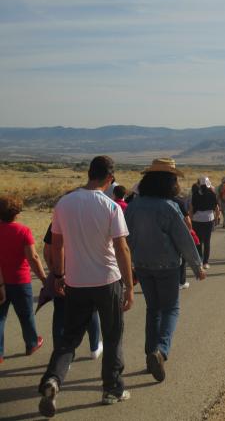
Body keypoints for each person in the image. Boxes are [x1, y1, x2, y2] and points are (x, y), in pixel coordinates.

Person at [38, 156, 134, 416]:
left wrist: (58, 276)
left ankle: (53, 379)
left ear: (89, 173)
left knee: (69, 338)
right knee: (113, 335)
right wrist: (129, 285)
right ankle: (112, 389)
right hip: (107, 280)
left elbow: (56, 244)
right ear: (110, 179)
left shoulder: (64, 203)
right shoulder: (111, 207)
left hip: (75, 281)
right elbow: (121, 247)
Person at [125, 158, 206, 383]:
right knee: (171, 309)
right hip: (167, 265)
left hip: (141, 264)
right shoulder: (168, 207)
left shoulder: (134, 206)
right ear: (169, 182)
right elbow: (184, 240)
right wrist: (197, 266)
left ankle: (150, 354)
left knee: (153, 310)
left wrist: (128, 265)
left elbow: (125, 238)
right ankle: (160, 351)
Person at [43, 223, 102, 358]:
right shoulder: (91, 221)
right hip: (85, 275)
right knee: (91, 311)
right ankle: (94, 347)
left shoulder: (58, 223)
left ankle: (61, 354)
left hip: (63, 275)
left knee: (60, 314)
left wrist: (55, 271)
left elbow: (47, 251)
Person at [0, 196, 47, 364]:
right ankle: (32, 343)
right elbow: (33, 257)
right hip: (20, 281)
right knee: (26, 315)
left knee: (0, 318)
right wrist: (43, 278)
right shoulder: (23, 231)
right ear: (17, 213)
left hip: (1, 282)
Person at [191, 177, 219, 269]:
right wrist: (217, 218)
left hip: (196, 219)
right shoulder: (212, 193)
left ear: (199, 184)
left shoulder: (195, 193)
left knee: (198, 241)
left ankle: (199, 260)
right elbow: (216, 208)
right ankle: (205, 262)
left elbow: (192, 208)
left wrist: (190, 219)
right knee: (207, 241)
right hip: (208, 219)